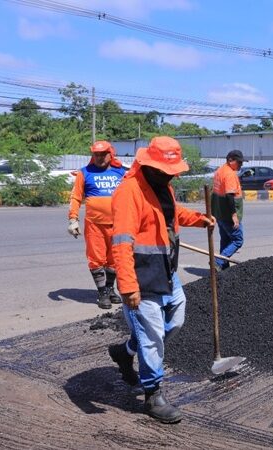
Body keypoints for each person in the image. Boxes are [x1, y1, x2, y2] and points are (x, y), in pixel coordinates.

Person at [108, 136, 215, 424]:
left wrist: (198, 218)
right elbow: (120, 243)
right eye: (167, 170)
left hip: (165, 271)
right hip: (141, 277)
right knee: (153, 336)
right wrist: (128, 286)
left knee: (175, 321)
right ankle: (153, 394)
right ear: (149, 165)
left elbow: (171, 213)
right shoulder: (130, 192)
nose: (172, 174)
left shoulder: (161, 185)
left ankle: (125, 351)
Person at [67, 140, 126, 309]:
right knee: (96, 259)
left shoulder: (121, 173)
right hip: (95, 225)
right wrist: (73, 219)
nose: (99, 157)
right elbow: (76, 197)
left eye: (103, 154)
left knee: (114, 260)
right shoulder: (84, 173)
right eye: (96, 154)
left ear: (111, 154)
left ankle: (109, 289)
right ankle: (102, 293)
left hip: (118, 224)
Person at [211, 150, 245, 270]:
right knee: (237, 240)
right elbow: (230, 196)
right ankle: (219, 262)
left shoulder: (220, 171)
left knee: (225, 241)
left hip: (220, 213)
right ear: (230, 160)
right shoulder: (229, 174)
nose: (241, 165)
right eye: (239, 162)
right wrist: (234, 215)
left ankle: (224, 269)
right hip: (228, 215)